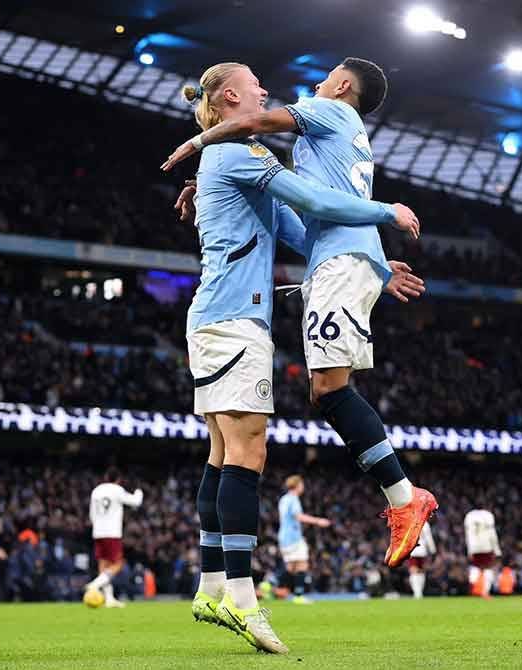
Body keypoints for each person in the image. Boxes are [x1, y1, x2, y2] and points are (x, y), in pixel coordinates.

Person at [179, 62, 422, 654]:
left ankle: (212, 584)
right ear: (232, 97)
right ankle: (241, 597)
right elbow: (313, 196)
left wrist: (371, 261)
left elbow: (300, 230)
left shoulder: (238, 157)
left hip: (228, 319)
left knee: (221, 452)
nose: (267, 91)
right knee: (247, 451)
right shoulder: (237, 152)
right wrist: (384, 213)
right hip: (233, 322)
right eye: (256, 85)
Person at [85, 467, 143, 608]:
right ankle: (94, 585)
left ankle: (109, 599)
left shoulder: (96, 491)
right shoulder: (117, 490)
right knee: (118, 563)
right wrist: (139, 491)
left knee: (104, 565)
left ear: (106, 477)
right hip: (112, 532)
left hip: (98, 532)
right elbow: (135, 502)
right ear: (118, 479)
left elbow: (92, 515)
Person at [277, 475, 331, 604]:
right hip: (293, 536)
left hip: (284, 536)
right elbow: (299, 517)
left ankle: (276, 589)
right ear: (297, 485)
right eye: (302, 484)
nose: (303, 487)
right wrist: (318, 521)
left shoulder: (283, 499)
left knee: (291, 567)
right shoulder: (293, 499)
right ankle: (298, 595)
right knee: (302, 564)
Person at [464, 507, 501, 598]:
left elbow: (468, 534)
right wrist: (497, 549)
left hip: (474, 546)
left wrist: (470, 550)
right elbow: (492, 533)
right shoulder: (488, 516)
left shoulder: (469, 516)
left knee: (475, 567)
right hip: (487, 545)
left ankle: (472, 587)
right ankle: (485, 592)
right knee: (487, 568)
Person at [407, 521, 436, 599]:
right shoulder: (424, 523)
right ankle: (419, 592)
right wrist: (433, 550)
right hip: (422, 550)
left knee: (414, 571)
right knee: (420, 571)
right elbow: (428, 538)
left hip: (412, 550)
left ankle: (417, 592)